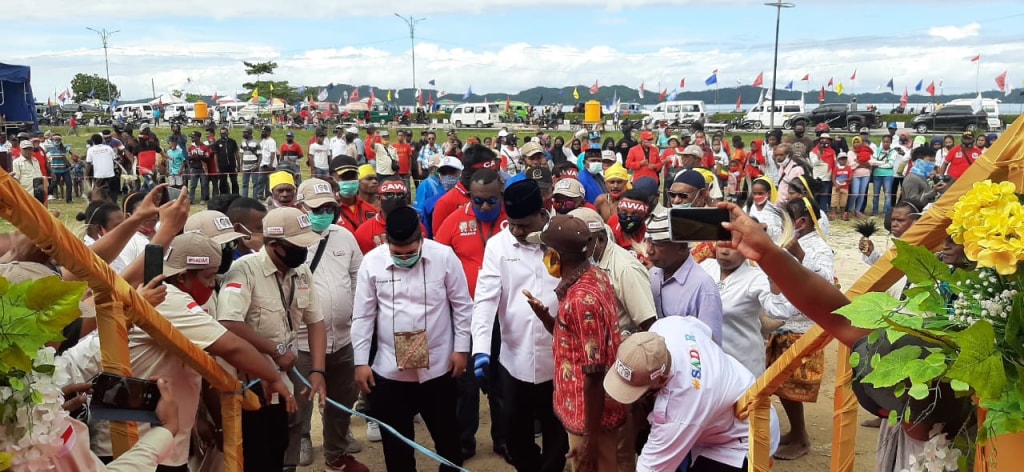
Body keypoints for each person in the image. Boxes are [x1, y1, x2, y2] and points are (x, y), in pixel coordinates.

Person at [62, 232, 296, 470]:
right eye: (208, 276)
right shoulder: (168, 299)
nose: (212, 284)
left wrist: (212, 422)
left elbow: (205, 371)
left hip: (162, 440)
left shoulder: (182, 299)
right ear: (183, 277)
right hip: (137, 443)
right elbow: (231, 346)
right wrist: (273, 377)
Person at [352, 206, 472, 472]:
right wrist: (361, 362)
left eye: (410, 253)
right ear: (386, 241)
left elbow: (462, 305)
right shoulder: (371, 262)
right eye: (397, 254)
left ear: (421, 239)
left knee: (448, 441)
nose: (404, 258)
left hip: (439, 367)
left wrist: (461, 349)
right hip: (390, 371)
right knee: (397, 446)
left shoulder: (444, 257)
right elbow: (362, 316)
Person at [216, 207, 329, 471]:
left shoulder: (301, 272)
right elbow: (229, 321)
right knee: (257, 451)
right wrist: (275, 350)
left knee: (278, 445)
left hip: (283, 380)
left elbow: (316, 321)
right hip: (251, 382)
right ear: (275, 245)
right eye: (297, 245)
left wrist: (318, 370)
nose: (303, 251)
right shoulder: (243, 270)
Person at [471, 179, 567, 472]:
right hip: (515, 359)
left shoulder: (565, 238)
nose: (517, 231)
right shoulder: (499, 246)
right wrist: (481, 350)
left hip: (559, 359)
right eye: (511, 223)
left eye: (524, 225)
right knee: (514, 434)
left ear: (542, 213)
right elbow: (485, 300)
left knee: (558, 433)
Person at [603, 317, 780, 472]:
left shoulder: (681, 406)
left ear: (661, 379)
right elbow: (709, 334)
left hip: (744, 437)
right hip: (724, 406)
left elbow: (651, 467)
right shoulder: (667, 327)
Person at [524, 214, 627, 472]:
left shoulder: (581, 300)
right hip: (590, 411)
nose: (542, 256)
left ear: (556, 256)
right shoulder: (593, 276)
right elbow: (577, 342)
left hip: (591, 418)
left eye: (545, 250)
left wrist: (590, 438)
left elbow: (593, 372)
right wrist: (549, 320)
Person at [286, 179, 368, 472]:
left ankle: (336, 453)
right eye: (318, 209)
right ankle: (301, 443)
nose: (325, 213)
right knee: (299, 404)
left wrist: (355, 309)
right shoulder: (289, 239)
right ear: (300, 207)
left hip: (343, 338)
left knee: (341, 401)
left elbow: (358, 274)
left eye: (330, 208)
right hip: (301, 343)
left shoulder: (344, 236)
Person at [434, 168, 509, 460]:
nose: (486, 207)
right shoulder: (454, 220)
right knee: (464, 383)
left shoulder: (512, 221)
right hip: (464, 315)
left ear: (501, 195)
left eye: (492, 201)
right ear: (471, 197)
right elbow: (436, 263)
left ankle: (504, 440)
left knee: (502, 381)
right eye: (479, 202)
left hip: (503, 316)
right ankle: (464, 442)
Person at [766, 197, 834, 461]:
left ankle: (801, 437)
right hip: (783, 322)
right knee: (781, 385)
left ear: (801, 223)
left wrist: (800, 259)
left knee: (791, 385)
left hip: (800, 327)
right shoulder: (792, 244)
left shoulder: (818, 249)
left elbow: (826, 284)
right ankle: (795, 433)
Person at [645, 214, 724, 341]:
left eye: (657, 245)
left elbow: (711, 345)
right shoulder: (652, 275)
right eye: (648, 243)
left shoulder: (703, 287)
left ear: (681, 247)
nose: (649, 251)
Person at [332, 156, 378, 234]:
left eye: (353, 176)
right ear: (332, 179)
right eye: (345, 177)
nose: (350, 181)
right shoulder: (327, 212)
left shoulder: (371, 211)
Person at [86, 133, 119, 201]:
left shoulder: (91, 150)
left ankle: (98, 201)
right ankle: (113, 202)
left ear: (93, 141)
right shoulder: (108, 148)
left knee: (97, 190)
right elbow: (114, 159)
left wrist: (86, 175)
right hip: (110, 174)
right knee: (112, 191)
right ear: (102, 140)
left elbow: (88, 163)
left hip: (99, 175)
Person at [212, 126, 240, 195]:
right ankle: (223, 195)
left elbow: (236, 153)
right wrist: (217, 168)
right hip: (222, 166)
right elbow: (215, 156)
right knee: (222, 182)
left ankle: (235, 195)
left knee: (234, 181)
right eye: (221, 133)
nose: (223, 134)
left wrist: (238, 165)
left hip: (232, 165)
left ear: (228, 133)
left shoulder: (232, 142)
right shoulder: (217, 143)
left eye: (224, 133)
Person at [186, 131, 212, 203]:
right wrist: (192, 157)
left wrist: (200, 156)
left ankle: (204, 199)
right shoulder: (191, 147)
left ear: (198, 137)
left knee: (204, 184)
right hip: (194, 168)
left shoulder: (204, 147)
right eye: (191, 137)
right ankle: (191, 199)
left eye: (193, 137)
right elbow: (188, 157)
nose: (192, 138)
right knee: (193, 185)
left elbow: (207, 158)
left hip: (203, 168)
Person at [257, 126, 278, 200]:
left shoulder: (272, 141)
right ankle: (260, 196)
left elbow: (272, 153)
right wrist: (259, 163)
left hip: (270, 165)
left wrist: (271, 164)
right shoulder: (262, 141)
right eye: (262, 131)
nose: (263, 133)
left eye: (264, 131)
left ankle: (268, 197)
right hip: (262, 164)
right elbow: (261, 153)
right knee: (260, 181)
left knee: (269, 182)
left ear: (269, 132)